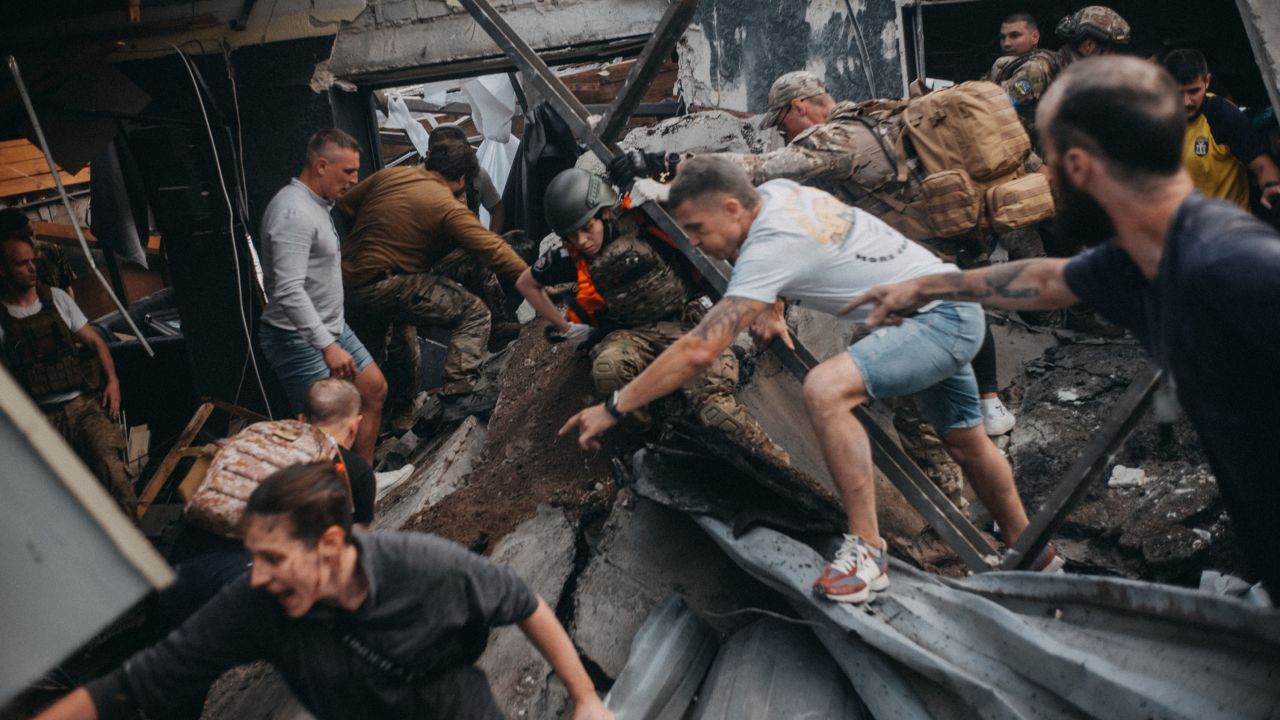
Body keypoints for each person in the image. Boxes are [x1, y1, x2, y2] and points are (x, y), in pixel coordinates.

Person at [844, 56, 1280, 594]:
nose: (1041, 175)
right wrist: (928, 285)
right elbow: (1050, 278)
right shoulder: (1143, 260)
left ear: (1077, 166)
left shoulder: (1236, 271)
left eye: (1044, 161)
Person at [562, 156, 1061, 605]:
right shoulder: (779, 195)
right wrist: (772, 305)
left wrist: (614, 406)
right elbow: (785, 253)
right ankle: (1035, 553)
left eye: (696, 228)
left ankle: (867, 554)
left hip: (935, 322)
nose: (692, 241)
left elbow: (699, 349)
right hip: (941, 305)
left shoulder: (768, 247)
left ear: (733, 209)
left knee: (825, 389)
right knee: (967, 442)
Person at [35, 462, 613, 720]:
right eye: (251, 558)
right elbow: (135, 684)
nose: (257, 575)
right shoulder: (257, 604)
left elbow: (524, 602)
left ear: (331, 545)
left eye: (273, 559)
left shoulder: (428, 567)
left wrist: (585, 698)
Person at [518, 168, 787, 463]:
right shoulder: (570, 256)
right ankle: (651, 432)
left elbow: (721, 225)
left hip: (688, 322)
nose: (582, 241)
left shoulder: (645, 221)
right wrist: (567, 328)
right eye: (572, 234)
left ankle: (778, 464)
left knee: (718, 413)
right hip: (632, 333)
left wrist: (764, 297)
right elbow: (527, 283)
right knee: (608, 368)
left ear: (605, 213)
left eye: (587, 228)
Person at [341, 136, 528, 433]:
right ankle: (458, 395)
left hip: (352, 286)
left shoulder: (391, 175)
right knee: (474, 311)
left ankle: (362, 434)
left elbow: (346, 204)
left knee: (378, 360)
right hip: (387, 283)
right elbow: (491, 249)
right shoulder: (442, 201)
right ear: (461, 178)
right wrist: (536, 279)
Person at [257, 128, 387, 463]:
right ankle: (334, 501)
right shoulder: (293, 213)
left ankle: (363, 482)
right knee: (324, 433)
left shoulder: (317, 205)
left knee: (373, 388)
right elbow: (287, 289)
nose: (353, 180)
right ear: (321, 166)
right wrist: (327, 346)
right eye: (347, 172)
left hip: (333, 326)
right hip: (296, 338)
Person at [0, 232, 136, 515]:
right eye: (21, 263)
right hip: (39, 417)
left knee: (115, 475)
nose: (32, 268)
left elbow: (97, 342)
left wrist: (113, 382)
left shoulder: (57, 299)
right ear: (3, 269)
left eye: (32, 261)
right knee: (57, 500)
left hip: (82, 406)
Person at [1162, 49, 1280, 213]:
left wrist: (1272, 186)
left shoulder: (1222, 116)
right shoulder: (1157, 119)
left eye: (1194, 91)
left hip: (1229, 230)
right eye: (1178, 93)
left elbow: (1262, 165)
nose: (1186, 102)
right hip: (1183, 231)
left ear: (1207, 81)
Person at [985, 12, 1060, 145]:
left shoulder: (1034, 68)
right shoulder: (1009, 64)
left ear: (1035, 37)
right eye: (1003, 37)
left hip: (1031, 154)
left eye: (1015, 36)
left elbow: (998, 108)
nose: (1006, 43)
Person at [429, 125, 507, 233]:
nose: (453, 158)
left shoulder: (477, 175)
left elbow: (497, 209)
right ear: (429, 155)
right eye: (445, 154)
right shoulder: (417, 183)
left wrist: (492, 240)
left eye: (458, 152)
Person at [0, 208, 76, 292]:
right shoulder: (6, 266)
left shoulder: (51, 251)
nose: (32, 242)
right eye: (23, 238)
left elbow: (68, 290)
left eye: (31, 233)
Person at [1052, 6, 1130, 70]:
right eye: (1109, 51)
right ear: (1088, 46)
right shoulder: (1044, 70)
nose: (1114, 58)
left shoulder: (1086, 78)